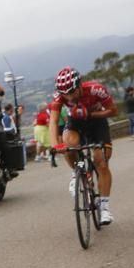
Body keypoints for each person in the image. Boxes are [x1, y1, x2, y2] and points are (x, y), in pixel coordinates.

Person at [49, 66, 119, 225]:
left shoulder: (96, 90)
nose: (68, 96)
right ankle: (77, 172)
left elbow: (113, 111)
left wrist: (92, 114)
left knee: (101, 163)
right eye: (64, 93)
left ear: (80, 85)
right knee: (68, 145)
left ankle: (105, 208)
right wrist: (54, 145)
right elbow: (53, 121)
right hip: (75, 122)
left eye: (72, 91)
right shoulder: (59, 97)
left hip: (97, 122)